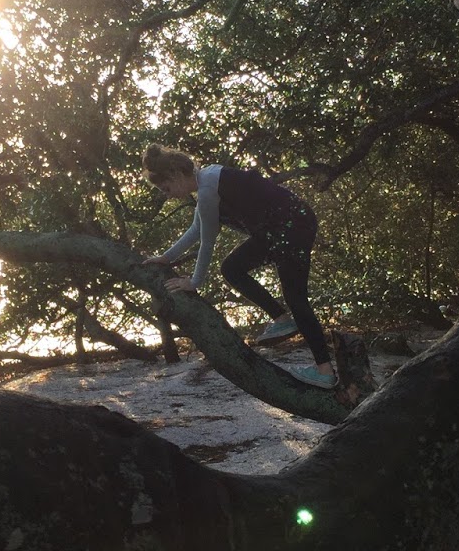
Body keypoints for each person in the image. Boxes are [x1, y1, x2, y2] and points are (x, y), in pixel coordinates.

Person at [141, 143, 337, 389]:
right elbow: (197, 229)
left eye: (166, 188)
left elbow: (207, 242)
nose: (168, 195)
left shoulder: (208, 190)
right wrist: (166, 258)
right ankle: (282, 318)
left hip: (291, 225)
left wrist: (194, 282)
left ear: (176, 174)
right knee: (232, 268)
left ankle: (324, 371)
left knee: (295, 297)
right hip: (277, 230)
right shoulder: (207, 181)